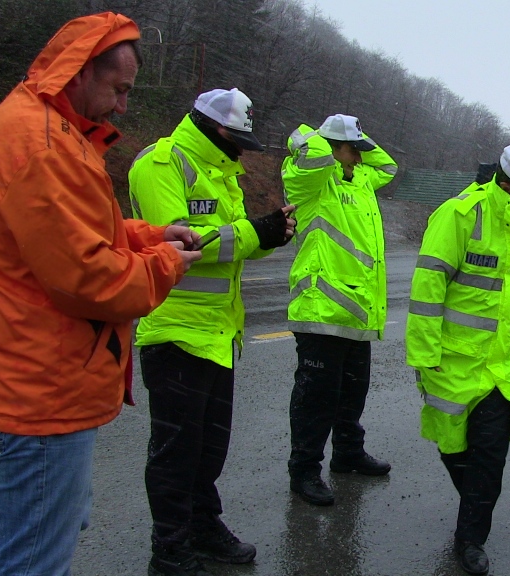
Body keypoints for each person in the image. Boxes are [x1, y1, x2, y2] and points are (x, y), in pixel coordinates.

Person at [0, 13, 200, 576]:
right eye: (118, 89)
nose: (123, 107)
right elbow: (92, 280)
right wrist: (167, 263)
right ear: (77, 73)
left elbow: (66, 236)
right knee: (33, 562)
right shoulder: (44, 145)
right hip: (41, 393)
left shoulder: (44, 128)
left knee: (44, 541)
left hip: (36, 380)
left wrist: (148, 234)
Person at [129, 88, 296, 576]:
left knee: (208, 449)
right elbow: (179, 244)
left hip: (219, 333)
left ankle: (203, 527)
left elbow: (235, 242)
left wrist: (269, 235)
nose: (243, 149)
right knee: (176, 453)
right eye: (238, 138)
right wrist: (254, 233)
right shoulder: (162, 164)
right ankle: (170, 549)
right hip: (175, 332)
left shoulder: (222, 172)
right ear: (214, 128)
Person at [405, 142, 510, 576]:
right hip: (451, 363)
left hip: (501, 370)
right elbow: (426, 291)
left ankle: (471, 539)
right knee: (453, 447)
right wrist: (424, 357)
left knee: (489, 458)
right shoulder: (459, 215)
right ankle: (474, 502)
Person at [282, 114, 398, 507]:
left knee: (352, 392)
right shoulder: (312, 179)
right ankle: (304, 470)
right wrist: (320, 136)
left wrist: (357, 136)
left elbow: (389, 165)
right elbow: (308, 154)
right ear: (333, 148)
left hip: (357, 311)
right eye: (354, 150)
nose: (361, 156)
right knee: (316, 399)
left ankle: (348, 453)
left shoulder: (362, 179)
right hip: (321, 310)